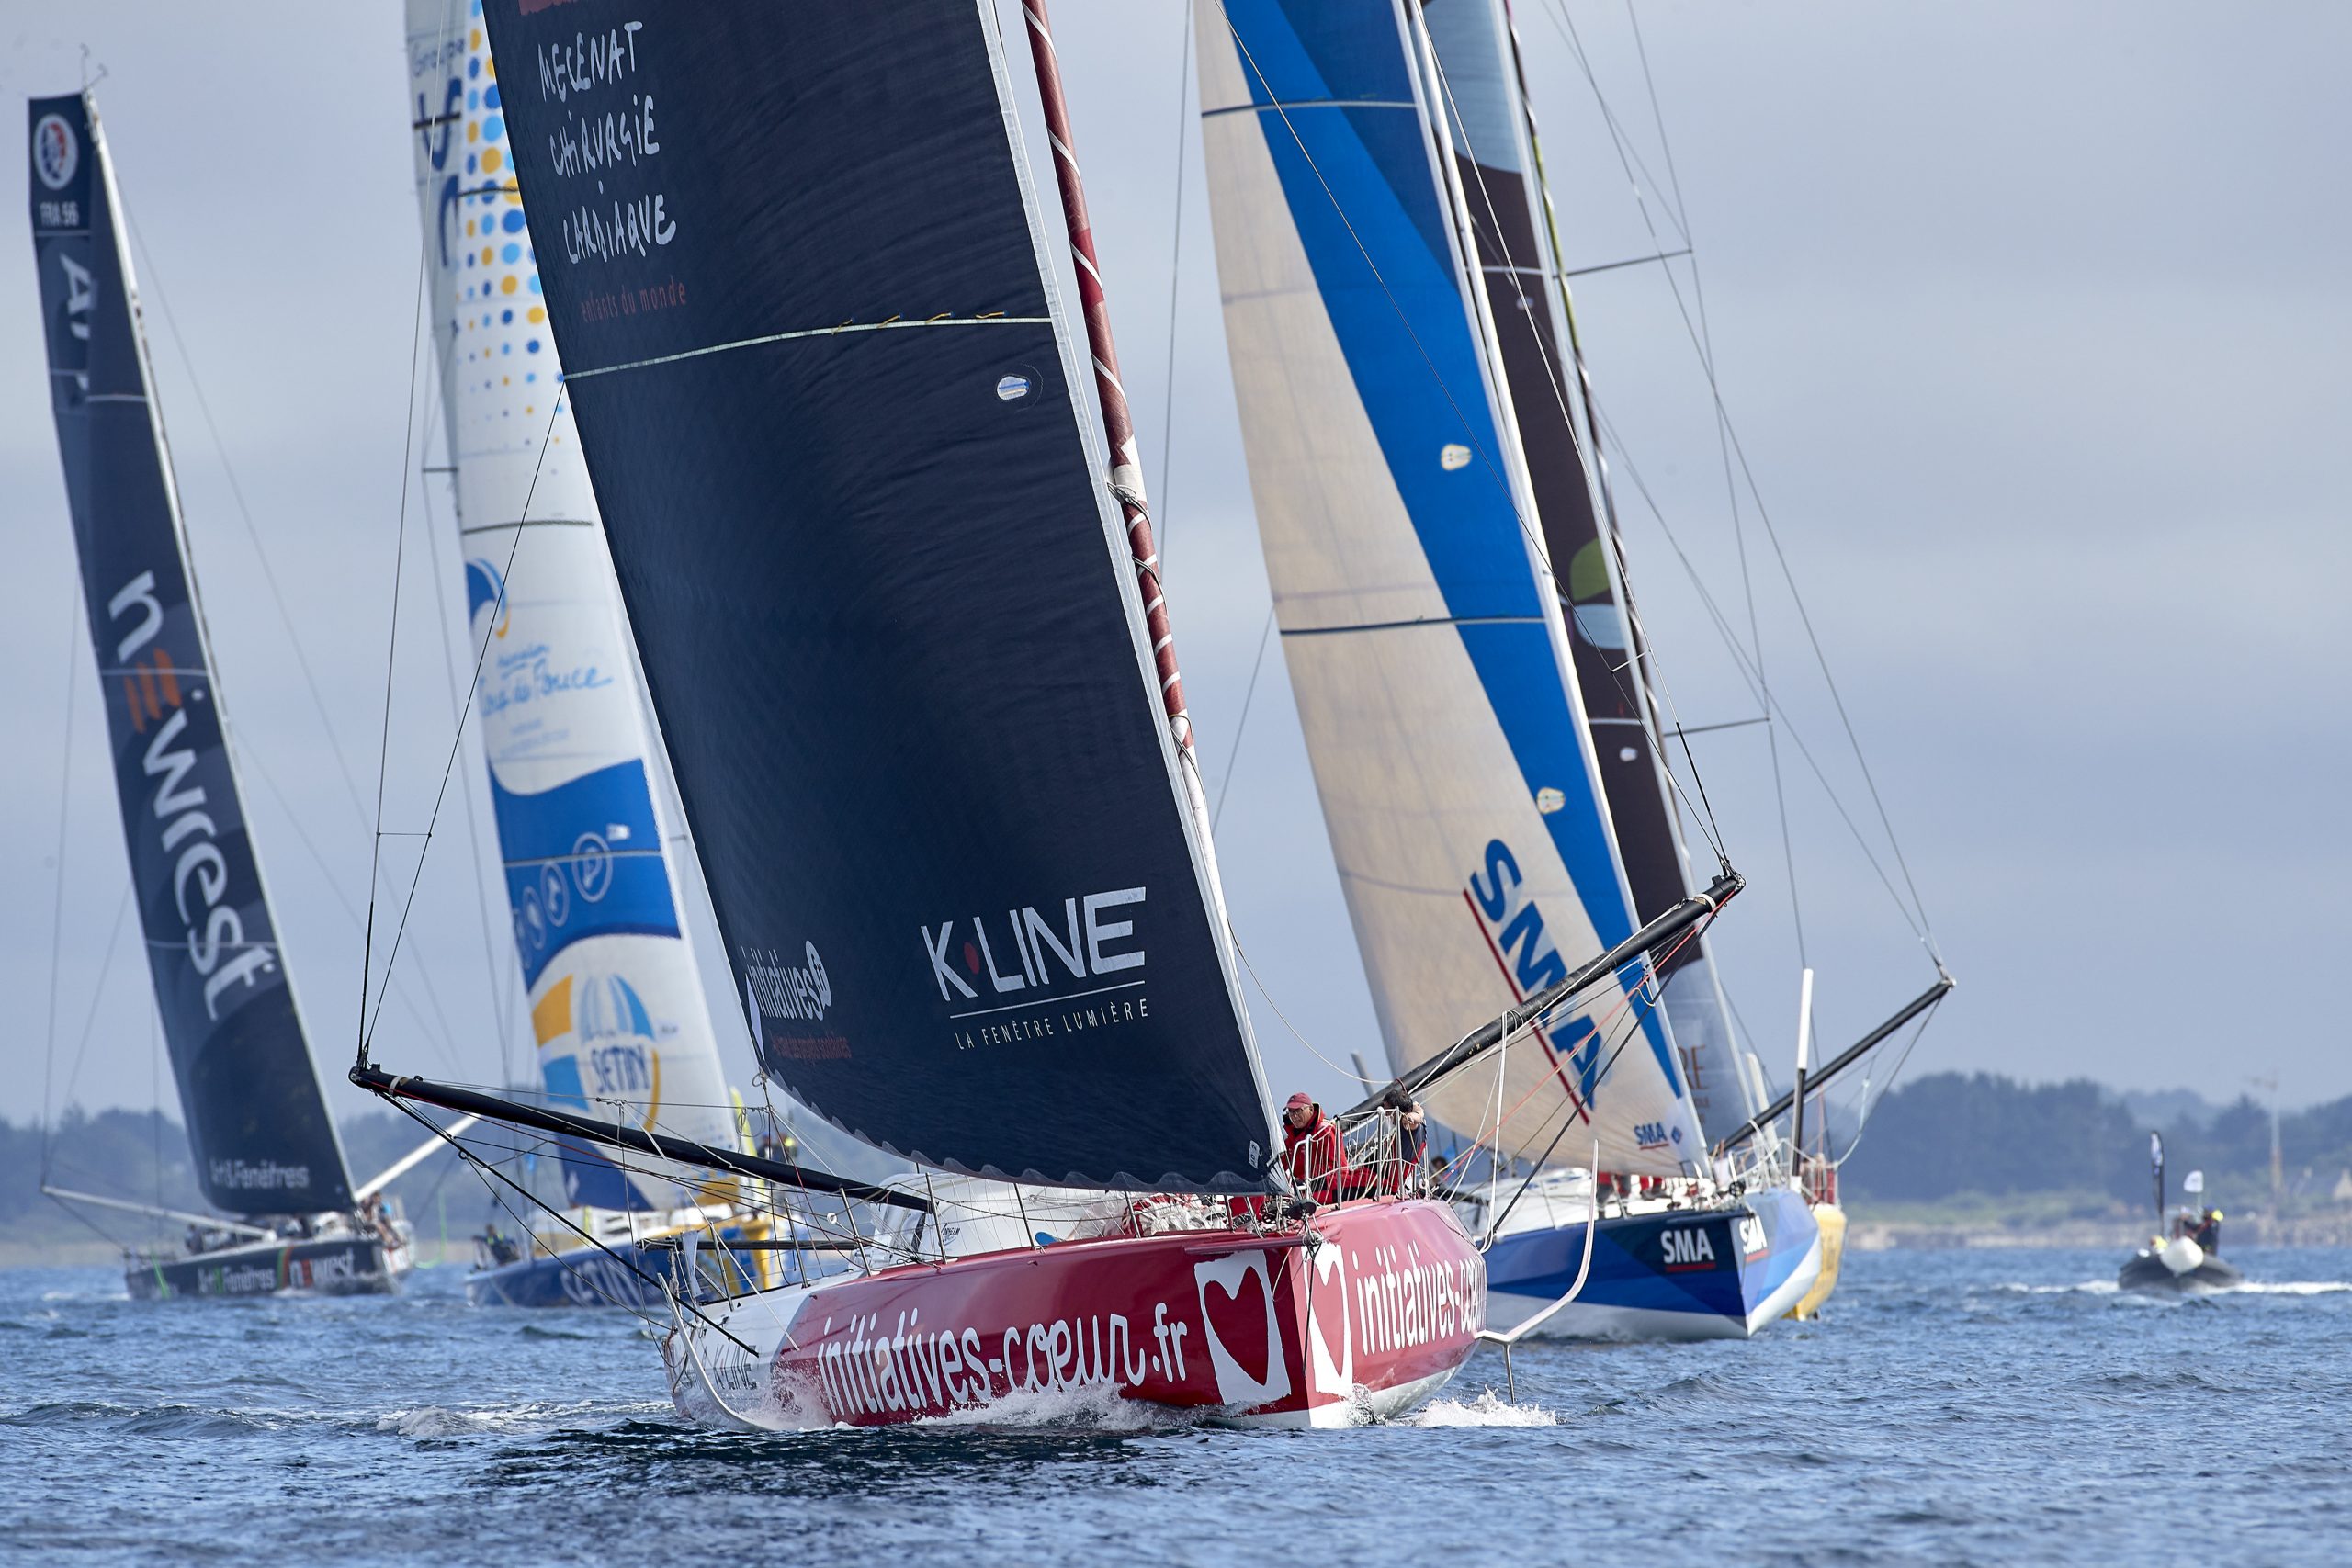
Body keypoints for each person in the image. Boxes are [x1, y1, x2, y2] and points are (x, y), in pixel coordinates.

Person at [1281, 1091, 1347, 1204]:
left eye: (1298, 1111)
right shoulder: (1293, 1138)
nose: (1294, 1116)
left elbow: (1331, 1166)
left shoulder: (1325, 1131)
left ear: (1311, 1110)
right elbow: (1281, 1163)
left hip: (1329, 1186)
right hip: (1305, 1187)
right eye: (1291, 1112)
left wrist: (1300, 1180)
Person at [1377, 1089, 1428, 1197]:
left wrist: (1409, 1117)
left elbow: (1415, 1120)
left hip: (1392, 1187)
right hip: (1392, 1181)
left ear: (1398, 1112)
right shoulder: (1418, 1126)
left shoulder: (1408, 1125)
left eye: (1388, 1111)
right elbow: (1417, 1108)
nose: (1386, 1116)